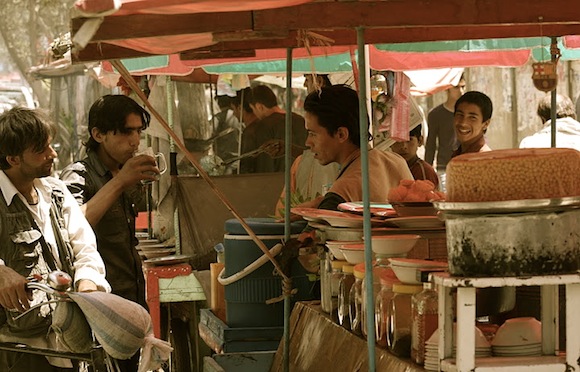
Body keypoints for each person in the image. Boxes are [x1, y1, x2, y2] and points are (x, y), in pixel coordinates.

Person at [0, 107, 110, 371]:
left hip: (68, 344)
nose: (53, 154)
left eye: (50, 145)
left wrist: (87, 280)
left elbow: (85, 246)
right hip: (18, 351)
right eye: (41, 150)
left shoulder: (56, 192)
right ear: (13, 159)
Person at [59, 95, 157, 372]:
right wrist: (121, 181)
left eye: (138, 131)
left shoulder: (125, 169)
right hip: (99, 304)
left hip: (131, 295)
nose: (135, 141)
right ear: (98, 134)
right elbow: (72, 229)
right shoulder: (78, 175)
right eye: (126, 131)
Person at [299, 85, 413, 211]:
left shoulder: (342, 191)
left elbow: (314, 231)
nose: (307, 142)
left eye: (313, 134)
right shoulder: (397, 161)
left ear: (341, 134)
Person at [242, 85, 307, 173]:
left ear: (259, 106)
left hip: (278, 181)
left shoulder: (263, 126)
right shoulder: (300, 119)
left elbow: (264, 165)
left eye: (253, 109)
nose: (255, 114)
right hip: (303, 175)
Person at [425, 75, 466, 171]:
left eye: (463, 87)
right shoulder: (436, 114)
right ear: (447, 89)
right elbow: (431, 144)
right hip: (444, 167)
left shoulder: (468, 113)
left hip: (466, 165)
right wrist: (427, 169)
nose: (461, 91)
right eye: (456, 87)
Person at [391, 124, 439, 188]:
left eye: (409, 140)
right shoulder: (390, 168)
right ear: (390, 143)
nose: (403, 146)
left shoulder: (423, 171)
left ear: (420, 141)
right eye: (397, 140)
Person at [451, 91, 493, 157]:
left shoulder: (485, 159)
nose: (463, 123)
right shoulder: (458, 154)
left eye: (472, 117)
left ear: (486, 124)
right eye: (460, 115)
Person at [212, 95, 242, 174]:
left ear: (218, 103)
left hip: (225, 159)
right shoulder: (239, 115)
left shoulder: (218, 117)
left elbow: (211, 134)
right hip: (239, 157)